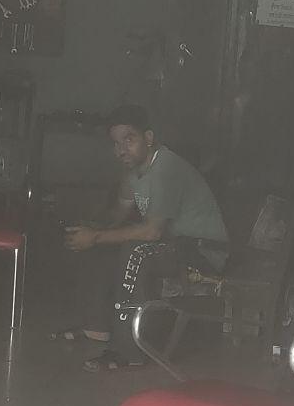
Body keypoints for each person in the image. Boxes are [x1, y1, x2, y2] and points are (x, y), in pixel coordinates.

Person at [61, 105, 228, 371]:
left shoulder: (166, 169)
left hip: (202, 251)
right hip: (174, 244)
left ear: (148, 138)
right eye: (116, 143)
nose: (121, 150)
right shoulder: (134, 171)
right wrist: (91, 229)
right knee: (106, 242)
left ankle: (129, 350)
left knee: (135, 252)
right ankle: (96, 327)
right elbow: (118, 214)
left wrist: (97, 236)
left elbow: (152, 231)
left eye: (129, 139)